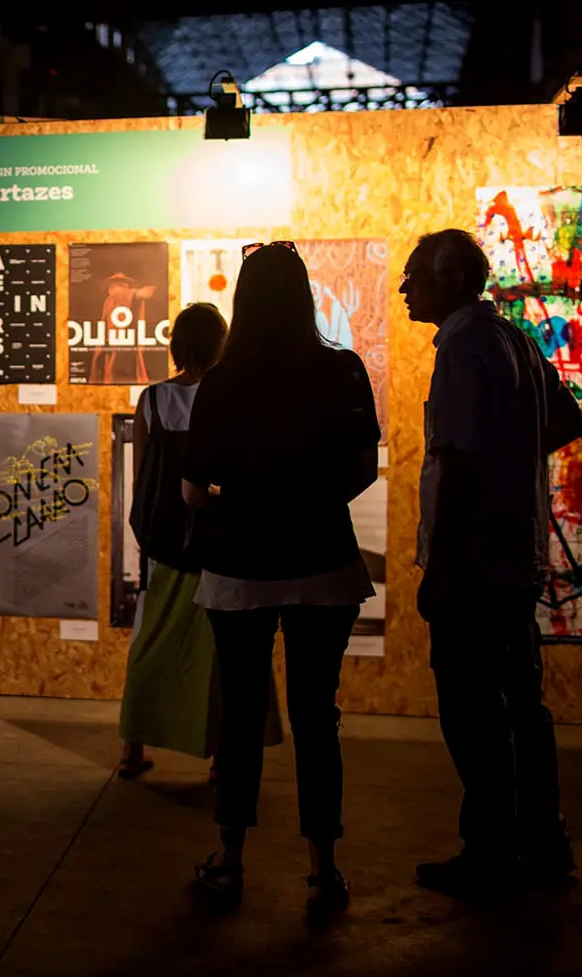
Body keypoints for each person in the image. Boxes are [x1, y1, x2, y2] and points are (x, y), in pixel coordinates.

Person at [181, 242, 380, 919]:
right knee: (317, 717)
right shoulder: (341, 369)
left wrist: (241, 500)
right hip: (324, 563)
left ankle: (230, 861)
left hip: (238, 569)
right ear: (303, 297)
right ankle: (323, 872)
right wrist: (310, 502)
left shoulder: (221, 381)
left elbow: (193, 490)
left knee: (240, 716)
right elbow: (363, 468)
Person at [404, 229, 582, 896]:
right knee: (522, 703)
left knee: (471, 709)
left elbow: (456, 462)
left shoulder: (461, 350)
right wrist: (515, 460)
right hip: (516, 555)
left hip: (473, 563)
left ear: (451, 281)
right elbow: (567, 420)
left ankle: (488, 853)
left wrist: (441, 569)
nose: (404, 288)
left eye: (415, 276)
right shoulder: (515, 339)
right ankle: (544, 840)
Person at [117, 304, 276, 781]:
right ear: (221, 344)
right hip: (224, 540)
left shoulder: (153, 400)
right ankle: (222, 757)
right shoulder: (235, 396)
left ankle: (132, 748)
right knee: (222, 650)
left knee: (150, 640)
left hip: (165, 543)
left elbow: (143, 477)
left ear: (177, 345)